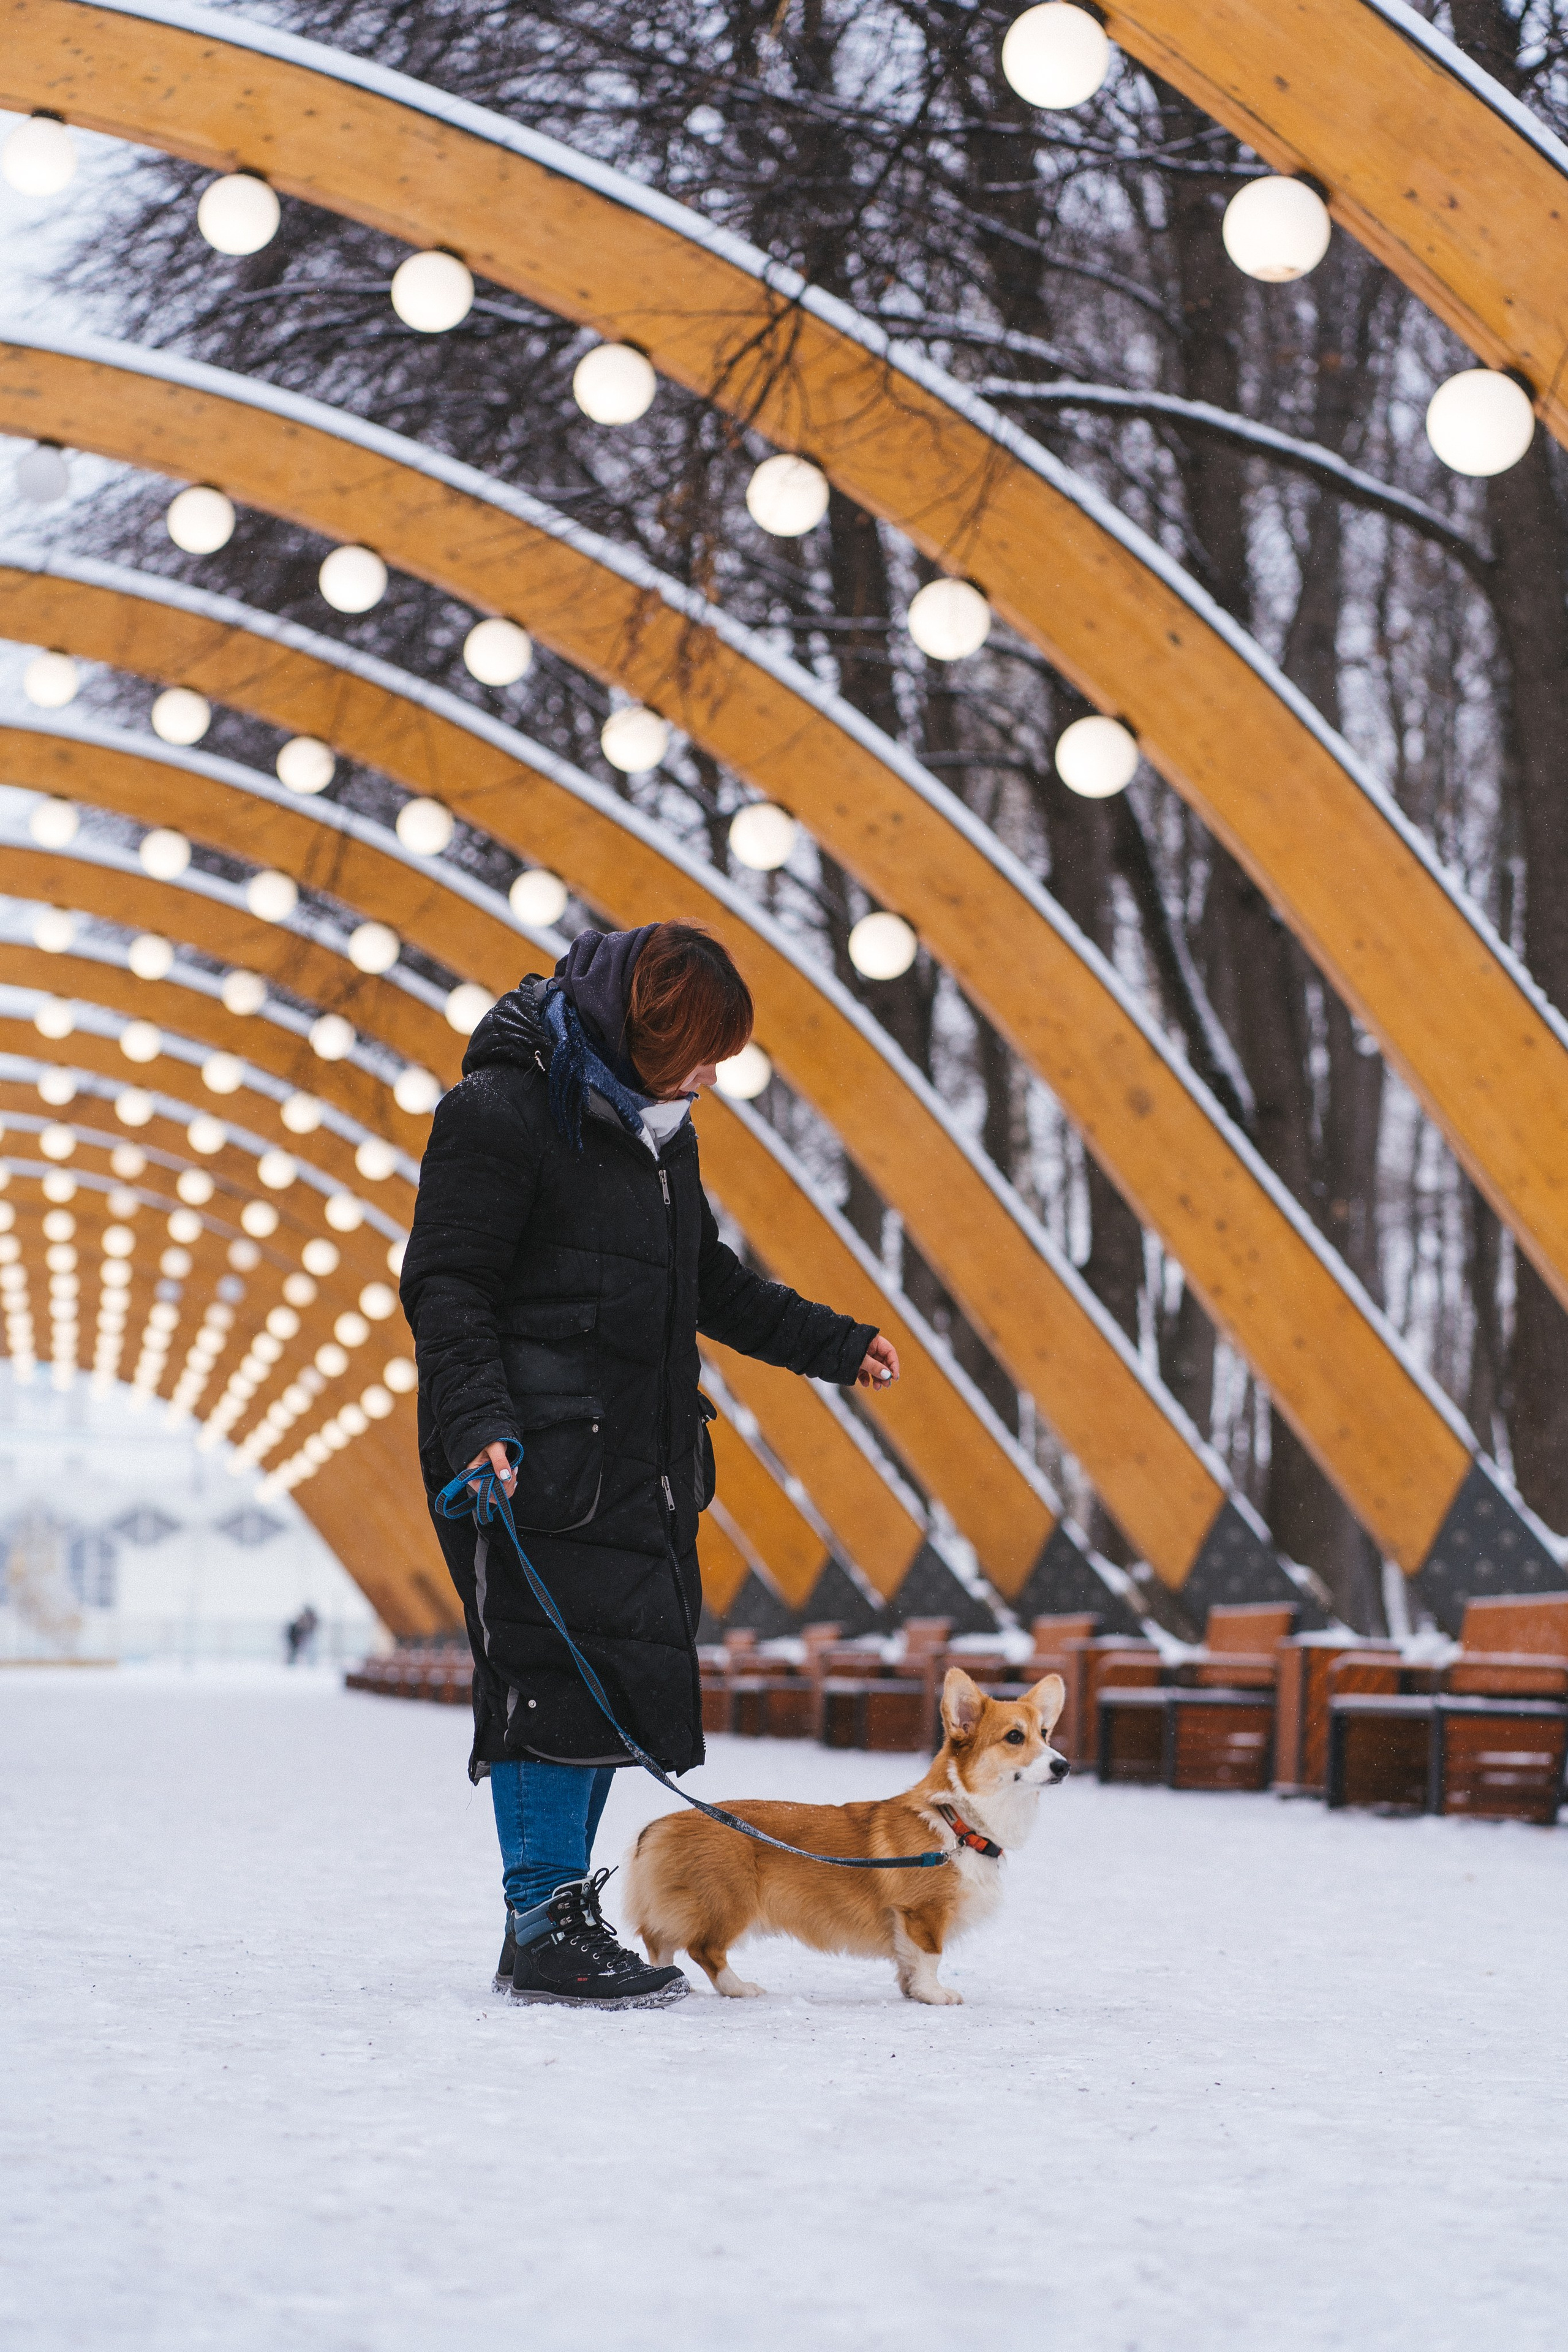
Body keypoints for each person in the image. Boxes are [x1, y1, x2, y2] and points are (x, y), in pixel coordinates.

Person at [400, 922, 899, 2010]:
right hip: (525, 1457)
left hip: (643, 1459)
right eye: (701, 1049)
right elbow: (448, 1284)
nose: (713, 1073)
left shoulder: (660, 1132)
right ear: (644, 1026)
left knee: (607, 1682)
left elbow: (701, 1281)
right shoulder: (500, 1113)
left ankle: (559, 1914)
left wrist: (830, 1340)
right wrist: (477, 1418)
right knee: (544, 1673)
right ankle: (541, 1922)